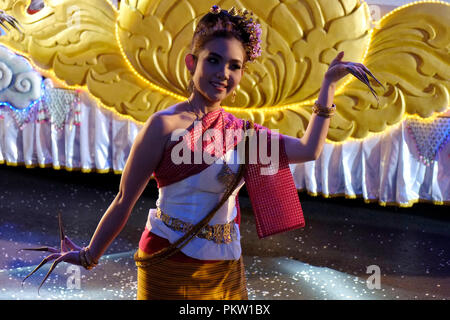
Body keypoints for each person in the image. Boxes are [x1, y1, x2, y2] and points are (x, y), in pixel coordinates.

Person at [22, 5, 381, 300]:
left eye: (234, 66)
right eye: (213, 60)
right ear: (191, 63)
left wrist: (327, 88)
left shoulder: (242, 133)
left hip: (226, 264)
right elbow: (123, 200)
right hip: (168, 258)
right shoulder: (162, 126)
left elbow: (309, 150)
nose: (223, 73)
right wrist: (89, 255)